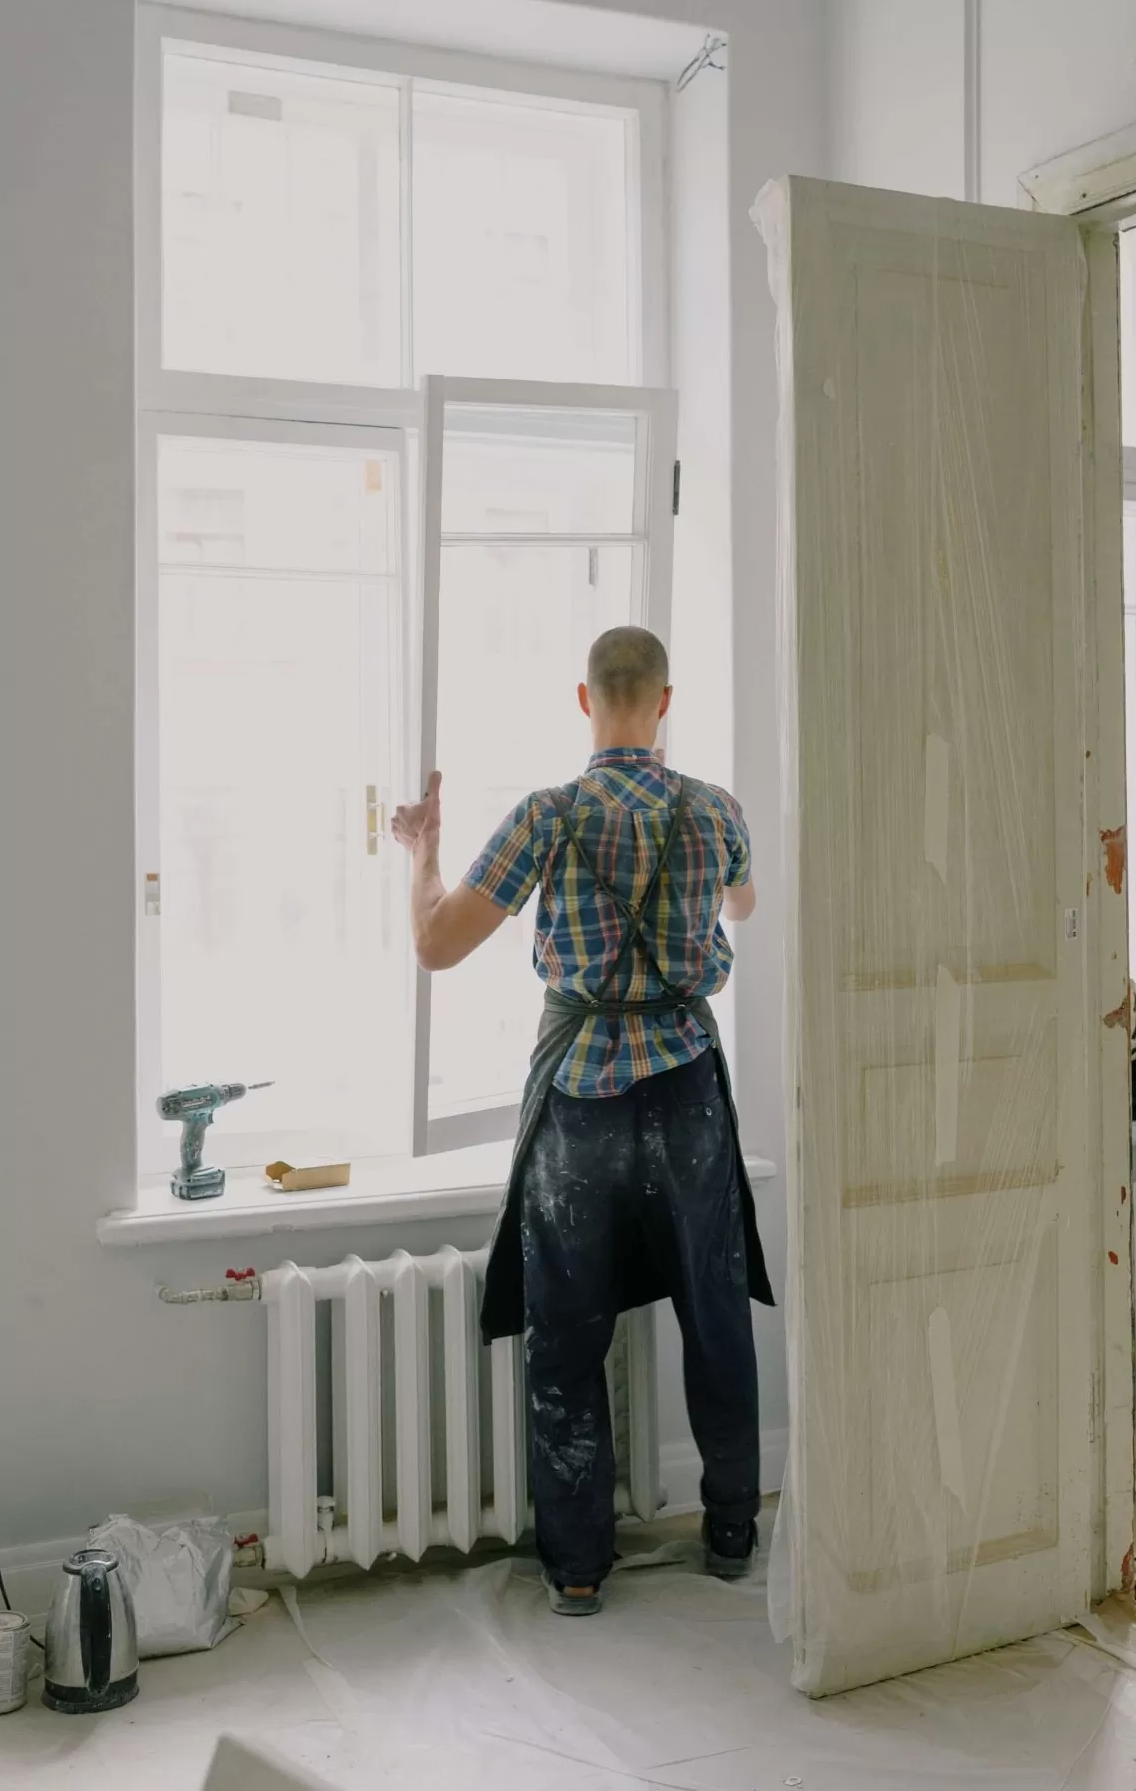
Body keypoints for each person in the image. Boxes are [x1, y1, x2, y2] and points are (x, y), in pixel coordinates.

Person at [391, 626, 773, 1617]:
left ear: (584, 698)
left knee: (568, 1330)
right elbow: (746, 903)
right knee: (713, 1307)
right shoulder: (712, 808)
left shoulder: (545, 818)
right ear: (664, 698)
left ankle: (575, 1566)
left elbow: (435, 944)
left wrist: (422, 853)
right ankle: (730, 1530)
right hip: (685, 1084)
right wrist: (713, 888)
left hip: (582, 1101)